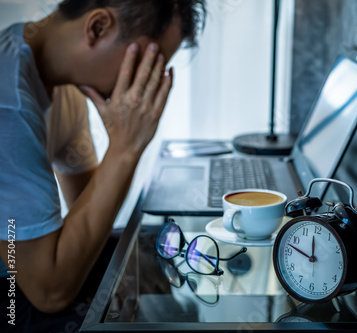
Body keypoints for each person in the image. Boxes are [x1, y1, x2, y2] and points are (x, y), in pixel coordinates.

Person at [0, 0, 205, 330]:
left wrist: (124, 145)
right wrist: (126, 147)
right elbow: (49, 292)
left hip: (32, 271)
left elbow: (87, 205)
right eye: (146, 62)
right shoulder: (8, 106)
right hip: (14, 290)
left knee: (151, 255)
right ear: (97, 28)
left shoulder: (62, 81)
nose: (148, 83)